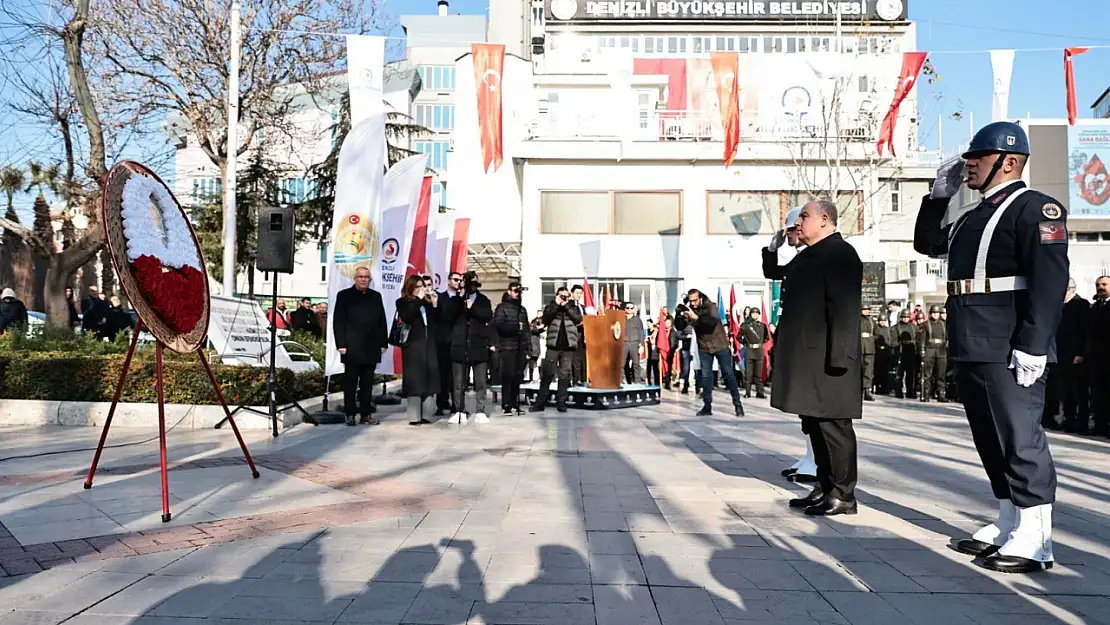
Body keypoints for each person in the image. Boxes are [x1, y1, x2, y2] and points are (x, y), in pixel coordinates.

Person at [915, 121, 1068, 573]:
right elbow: (928, 244)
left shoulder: (1037, 209)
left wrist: (1034, 344)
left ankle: (1037, 536)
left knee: (1021, 438)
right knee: (990, 438)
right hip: (971, 339)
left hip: (1009, 344)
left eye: (978, 156)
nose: (970, 164)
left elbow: (1049, 280)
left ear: (1010, 161)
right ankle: (1009, 521)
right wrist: (937, 198)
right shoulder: (971, 213)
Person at [774, 199, 863, 517]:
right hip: (809, 360)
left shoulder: (840, 254)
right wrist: (774, 246)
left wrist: (839, 358)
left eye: (805, 217)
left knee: (834, 427)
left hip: (830, 360)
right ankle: (825, 487)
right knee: (814, 424)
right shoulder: (809, 255)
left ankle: (843, 493)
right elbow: (775, 271)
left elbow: (844, 309)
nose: (799, 222)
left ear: (825, 219)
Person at [763, 206, 816, 483]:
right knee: (802, 406)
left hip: (809, 340)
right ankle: (810, 456)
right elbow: (773, 272)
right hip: (795, 335)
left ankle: (817, 460)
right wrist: (772, 248)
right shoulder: (801, 257)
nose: (791, 234)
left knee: (811, 406)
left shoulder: (813, 257)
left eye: (794, 228)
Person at [333, 266, 388, 426]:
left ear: (370, 280)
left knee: (367, 384)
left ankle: (366, 414)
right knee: (350, 383)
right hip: (351, 347)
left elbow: (381, 321)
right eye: (360, 277)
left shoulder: (376, 296)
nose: (363, 279)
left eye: (366, 277)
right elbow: (338, 321)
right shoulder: (344, 296)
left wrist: (383, 343)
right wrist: (341, 344)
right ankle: (350, 414)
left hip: (371, 347)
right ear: (354, 279)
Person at [677, 289, 745, 417]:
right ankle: (707, 406)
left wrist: (695, 317)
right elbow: (680, 327)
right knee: (706, 376)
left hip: (720, 345)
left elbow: (710, 325)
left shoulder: (711, 307)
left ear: (701, 297)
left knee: (728, 374)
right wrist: (679, 315)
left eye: (695, 300)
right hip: (704, 347)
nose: (693, 304)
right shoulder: (691, 310)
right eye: (690, 301)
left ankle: (738, 405)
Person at [442, 271, 493, 424]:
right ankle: (459, 410)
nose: (472, 288)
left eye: (475, 285)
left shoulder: (483, 300)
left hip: (478, 346)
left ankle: (480, 410)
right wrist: (459, 299)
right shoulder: (456, 300)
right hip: (460, 345)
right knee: (458, 382)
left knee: (480, 382)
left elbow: (487, 316)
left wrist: (472, 308)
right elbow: (447, 315)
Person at [396, 275, 441, 426]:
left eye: (422, 286)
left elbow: (435, 321)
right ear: (411, 288)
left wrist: (434, 305)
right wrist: (418, 300)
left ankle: (427, 415)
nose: (421, 289)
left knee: (430, 378)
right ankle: (414, 416)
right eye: (418, 286)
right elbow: (407, 317)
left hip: (429, 344)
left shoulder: (425, 303)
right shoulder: (403, 302)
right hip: (413, 346)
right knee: (415, 380)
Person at [530, 286, 582, 413]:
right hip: (553, 345)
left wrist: (567, 306)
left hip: (568, 346)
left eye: (566, 296)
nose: (564, 298)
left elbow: (578, 319)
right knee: (547, 374)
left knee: (564, 375)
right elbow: (546, 319)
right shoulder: (551, 306)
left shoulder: (573, 306)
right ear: (557, 295)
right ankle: (540, 403)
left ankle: (561, 402)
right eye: (561, 295)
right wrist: (556, 304)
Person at [1046, 279, 1088, 433]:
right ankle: (1067, 419)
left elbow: (1084, 331)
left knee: (1077, 390)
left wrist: (1080, 353)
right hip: (1059, 354)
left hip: (1074, 355)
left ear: (1070, 289)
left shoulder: (1080, 304)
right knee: (1064, 390)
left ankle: (1080, 421)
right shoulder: (1060, 306)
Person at [492, 281, 529, 415]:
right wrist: (514, 328)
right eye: (515, 291)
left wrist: (528, 348)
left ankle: (515, 403)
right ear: (509, 291)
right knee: (508, 375)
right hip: (507, 346)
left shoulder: (522, 309)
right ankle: (506, 403)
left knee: (518, 376)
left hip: (520, 347)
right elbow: (498, 324)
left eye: (519, 291)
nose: (517, 294)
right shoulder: (502, 307)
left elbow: (526, 330)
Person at [434, 272, 463, 416]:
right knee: (442, 374)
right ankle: (441, 402)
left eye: (460, 280)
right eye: (456, 280)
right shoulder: (440, 297)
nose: (458, 282)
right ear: (449, 280)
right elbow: (443, 316)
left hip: (458, 341)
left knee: (456, 376)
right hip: (443, 341)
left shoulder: (462, 299)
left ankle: (457, 404)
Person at [1085, 276, 1110, 437]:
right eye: (1098, 285)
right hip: (1096, 359)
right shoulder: (1095, 307)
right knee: (1098, 394)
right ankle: (1100, 425)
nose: (1100, 287)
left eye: (1104, 284)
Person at [917, 305, 948, 403]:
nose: (935, 315)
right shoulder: (926, 324)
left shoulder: (944, 324)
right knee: (927, 374)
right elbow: (921, 339)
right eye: (934, 313)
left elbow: (947, 338)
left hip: (941, 351)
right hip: (929, 350)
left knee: (941, 374)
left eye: (937, 313)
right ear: (930, 314)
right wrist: (922, 350)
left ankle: (941, 393)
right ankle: (926, 393)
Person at [739, 308, 769, 399]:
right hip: (749, 351)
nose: (755, 315)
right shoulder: (745, 325)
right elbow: (739, 336)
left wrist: (760, 344)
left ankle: (760, 392)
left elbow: (766, 337)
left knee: (758, 374)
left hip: (759, 351)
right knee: (748, 374)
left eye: (757, 313)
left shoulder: (763, 326)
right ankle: (748, 392)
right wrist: (746, 343)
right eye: (753, 313)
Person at [893, 310, 918, 398]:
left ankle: (910, 391)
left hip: (911, 352)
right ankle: (898, 391)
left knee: (911, 374)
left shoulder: (913, 327)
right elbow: (893, 341)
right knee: (899, 374)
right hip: (900, 352)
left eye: (907, 317)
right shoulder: (896, 327)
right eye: (904, 317)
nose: (905, 319)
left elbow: (917, 339)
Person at [622, 302, 645, 384]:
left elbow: (641, 333)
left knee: (636, 364)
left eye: (631, 308)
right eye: (627, 308)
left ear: (633, 310)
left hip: (634, 344)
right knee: (622, 365)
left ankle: (637, 383)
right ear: (625, 309)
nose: (629, 309)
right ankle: (623, 382)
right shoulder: (621, 319)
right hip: (624, 344)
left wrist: (642, 345)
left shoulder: (637, 320)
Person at [570, 285, 588, 385]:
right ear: (572, 293)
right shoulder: (569, 305)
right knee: (574, 360)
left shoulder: (582, 307)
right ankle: (575, 381)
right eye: (577, 293)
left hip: (583, 336)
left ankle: (583, 379)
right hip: (573, 335)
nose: (578, 295)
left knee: (582, 359)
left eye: (580, 293)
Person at [859, 305, 876, 402]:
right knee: (859, 370)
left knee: (868, 371)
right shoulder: (858, 320)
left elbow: (877, 333)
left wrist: (871, 339)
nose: (866, 311)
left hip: (870, 348)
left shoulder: (872, 321)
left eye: (868, 310)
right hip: (860, 347)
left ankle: (867, 390)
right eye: (864, 310)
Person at [873, 316, 893, 395]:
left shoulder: (887, 329)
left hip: (886, 351)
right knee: (877, 372)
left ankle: (885, 388)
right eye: (881, 320)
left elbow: (889, 340)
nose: (882, 322)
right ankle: (877, 387)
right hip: (878, 351)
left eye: (884, 321)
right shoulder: (876, 328)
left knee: (885, 372)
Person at [526, 312, 544, 383]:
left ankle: (539, 377)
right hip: (535, 346)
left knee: (539, 362)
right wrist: (539, 327)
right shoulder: (533, 325)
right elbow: (535, 329)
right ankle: (532, 378)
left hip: (539, 345)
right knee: (533, 362)